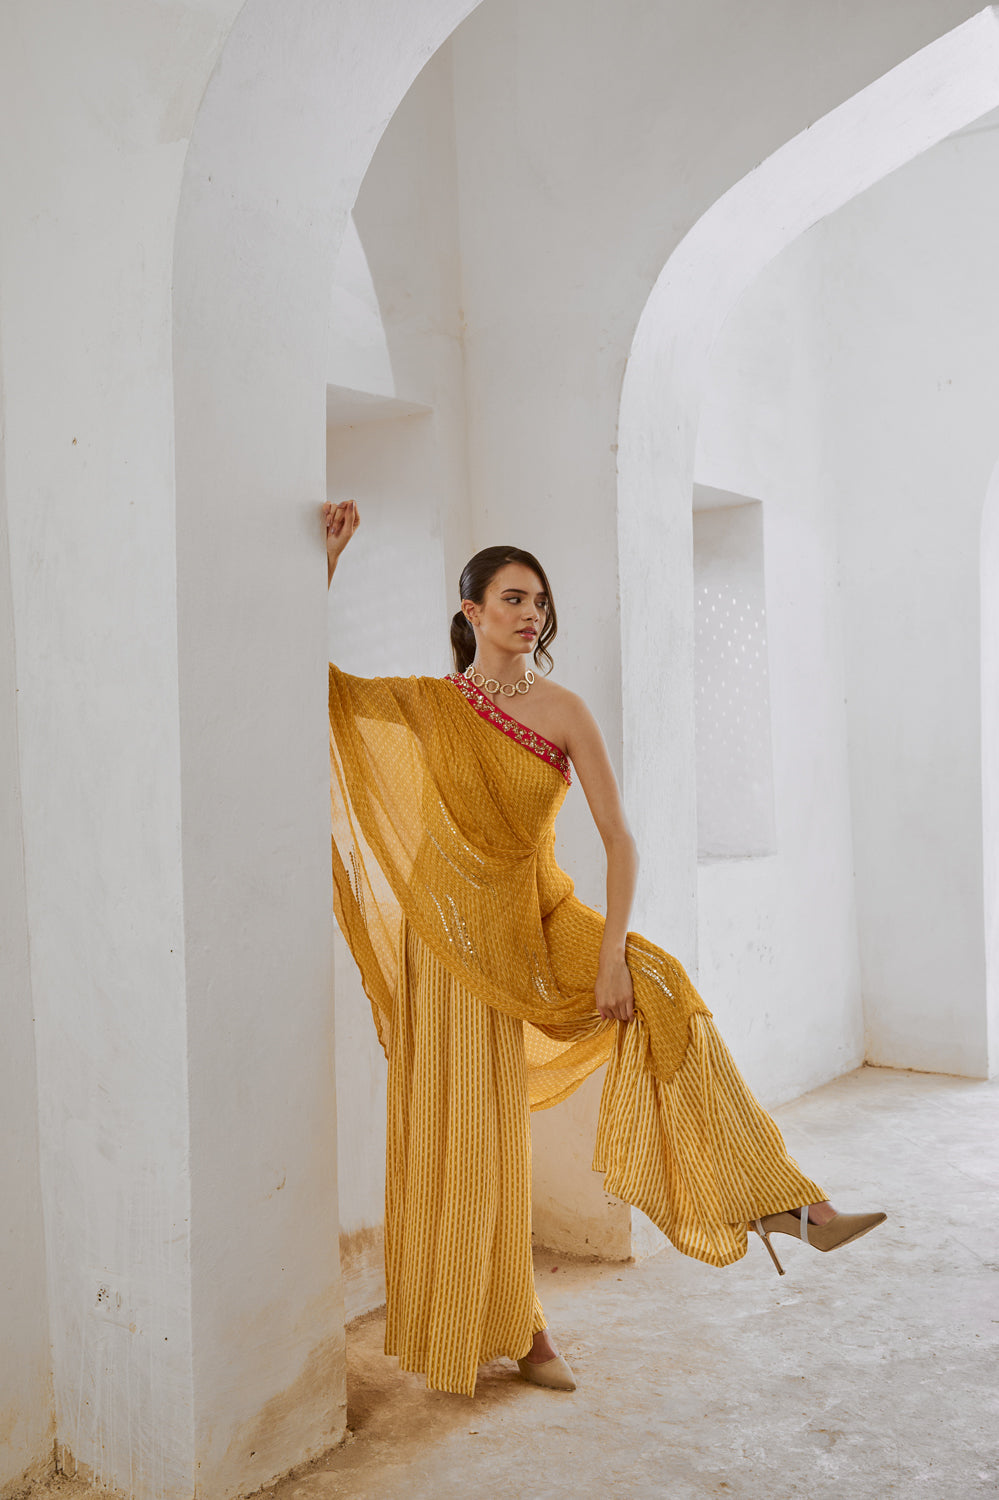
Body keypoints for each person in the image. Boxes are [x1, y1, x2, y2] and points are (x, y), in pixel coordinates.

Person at [324, 498, 885, 1398]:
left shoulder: (562, 709)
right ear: (470, 611)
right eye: (512, 598)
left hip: (536, 908)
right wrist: (325, 565)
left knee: (663, 983)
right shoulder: (431, 705)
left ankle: (782, 1197)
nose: (531, 613)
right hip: (451, 935)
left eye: (539, 600)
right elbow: (327, 694)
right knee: (470, 1128)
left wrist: (613, 952)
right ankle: (518, 1328)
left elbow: (620, 839)